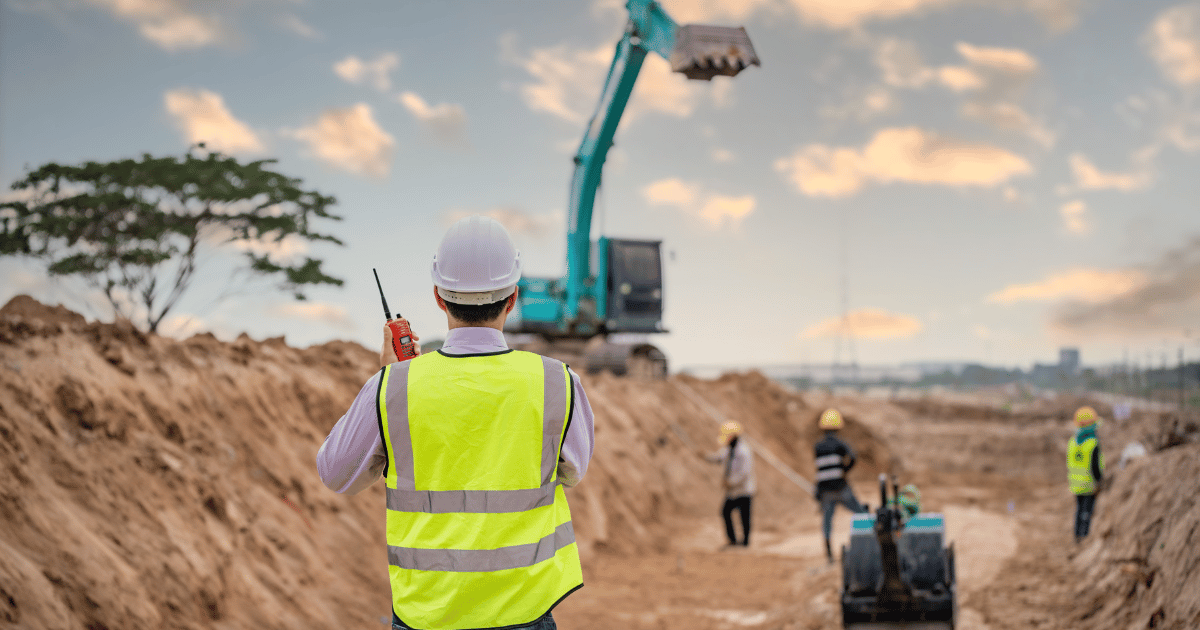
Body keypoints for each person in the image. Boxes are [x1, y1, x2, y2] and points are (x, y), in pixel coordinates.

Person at [317, 216, 595, 630]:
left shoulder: (393, 388)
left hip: (427, 615)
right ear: (514, 297)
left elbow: (336, 475)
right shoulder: (559, 381)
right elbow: (573, 472)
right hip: (524, 611)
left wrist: (384, 381)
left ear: (438, 298)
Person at [814, 408, 867, 563]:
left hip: (825, 491)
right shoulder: (840, 444)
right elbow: (853, 457)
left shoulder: (818, 447)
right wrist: (845, 469)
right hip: (841, 487)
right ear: (838, 427)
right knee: (861, 513)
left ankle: (829, 555)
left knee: (827, 523)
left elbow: (820, 471)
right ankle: (869, 543)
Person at [704, 421, 756, 546]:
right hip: (733, 491)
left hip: (744, 490)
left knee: (745, 517)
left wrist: (731, 483)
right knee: (725, 512)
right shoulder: (729, 449)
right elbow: (719, 458)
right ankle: (732, 540)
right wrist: (705, 456)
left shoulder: (744, 451)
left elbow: (745, 473)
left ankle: (745, 542)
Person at [1068, 406, 1105, 542]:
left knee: (1079, 510)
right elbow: (1094, 466)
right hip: (1089, 484)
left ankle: (1077, 535)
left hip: (1075, 483)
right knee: (1086, 512)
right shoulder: (1092, 443)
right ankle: (1083, 537)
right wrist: (1099, 481)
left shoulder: (1073, 441)